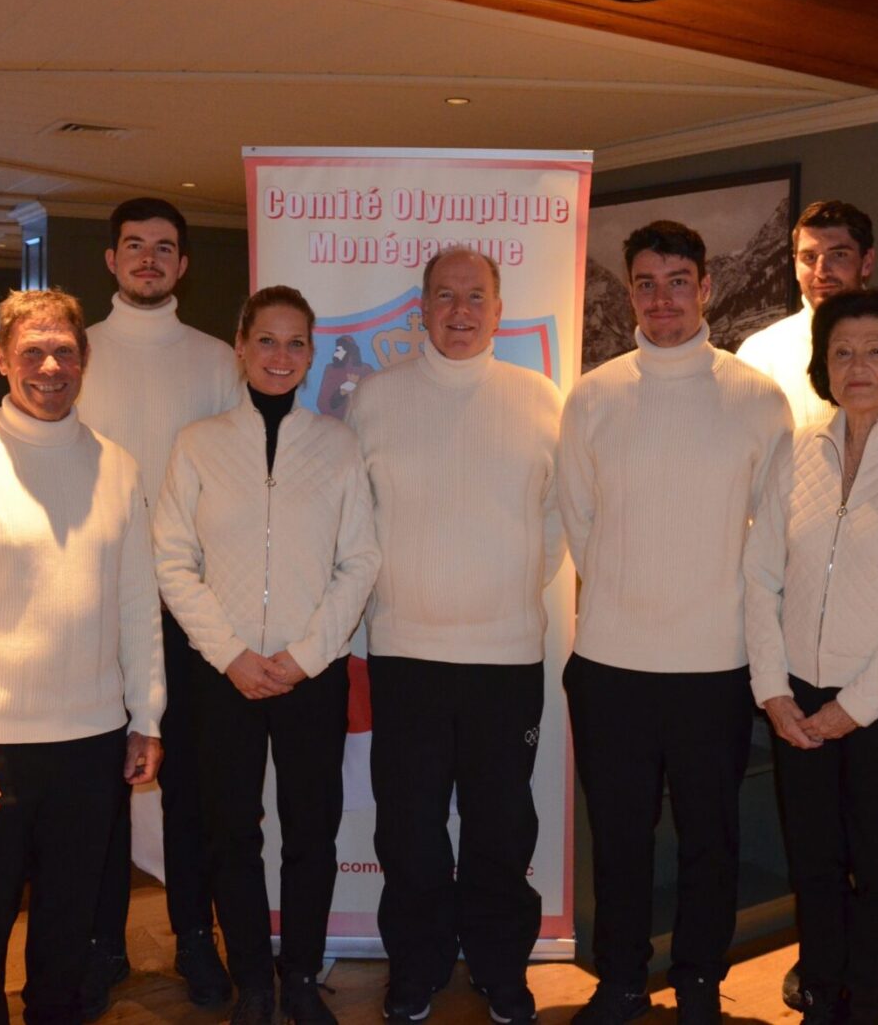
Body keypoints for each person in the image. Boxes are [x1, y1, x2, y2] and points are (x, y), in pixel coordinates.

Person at [0, 289, 165, 1025]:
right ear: (0, 358)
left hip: (92, 742)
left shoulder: (117, 465)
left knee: (68, 925)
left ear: (84, 359)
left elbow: (137, 605)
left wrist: (145, 717)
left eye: (64, 352)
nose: (49, 367)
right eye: (32, 352)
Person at [559, 221, 791, 1025]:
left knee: (709, 840)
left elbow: (774, 533)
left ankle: (698, 980)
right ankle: (620, 980)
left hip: (714, 664)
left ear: (707, 287)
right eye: (647, 283)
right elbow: (579, 521)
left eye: (678, 280)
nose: (663, 298)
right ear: (631, 292)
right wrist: (630, 588)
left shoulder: (757, 398)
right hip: (611, 663)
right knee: (619, 841)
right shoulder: (592, 394)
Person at [737, 199, 878, 1019]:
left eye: (875, 351)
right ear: (820, 366)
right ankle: (822, 984)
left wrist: (848, 712)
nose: (857, 365)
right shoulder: (792, 456)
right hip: (796, 696)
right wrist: (774, 693)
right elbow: (758, 578)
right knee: (815, 861)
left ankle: (867, 990)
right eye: (841, 352)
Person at [347, 248, 565, 1024]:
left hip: (506, 657)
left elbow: (555, 521)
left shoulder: (541, 399)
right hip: (405, 655)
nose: (460, 311)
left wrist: (499, 592)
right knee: (407, 829)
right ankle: (418, 965)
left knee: (502, 828)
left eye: (476, 297)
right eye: (445, 296)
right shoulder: (374, 399)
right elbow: (356, 523)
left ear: (499, 310)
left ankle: (501, 966)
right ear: (423, 308)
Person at [155, 285, 379, 1025]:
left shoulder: (339, 447)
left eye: (296, 344)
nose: (281, 357)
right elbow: (172, 562)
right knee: (231, 833)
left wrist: (305, 655)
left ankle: (301, 973)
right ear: (242, 345)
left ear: (311, 354)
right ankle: (253, 978)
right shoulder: (198, 443)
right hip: (221, 677)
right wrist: (230, 655)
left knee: (311, 832)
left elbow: (360, 562)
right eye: (267, 341)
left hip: (308, 675)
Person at [76, 197, 239, 1014]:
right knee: (99, 786)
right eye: (133, 246)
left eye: (164, 248)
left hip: (186, 612)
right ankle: (102, 944)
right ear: (111, 260)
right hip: (95, 610)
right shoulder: (77, 356)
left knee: (192, 794)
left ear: (182, 266)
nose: (148, 259)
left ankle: (194, 942)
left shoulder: (215, 360)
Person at [738, 200, 878, 432]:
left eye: (839, 255)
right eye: (809, 258)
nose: (822, 271)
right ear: (794, 266)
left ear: (867, 262)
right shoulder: (759, 355)